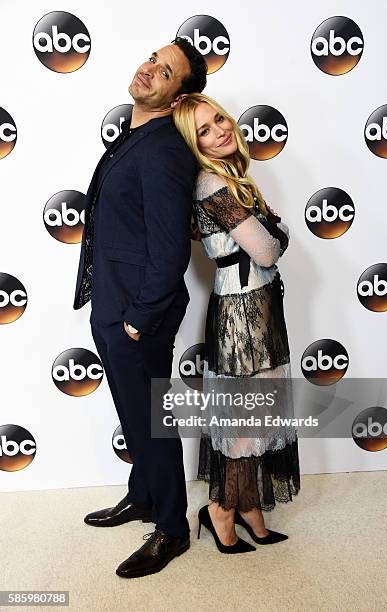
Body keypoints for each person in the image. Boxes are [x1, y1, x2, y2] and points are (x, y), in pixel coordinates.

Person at [73, 39, 207, 578]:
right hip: (114, 299)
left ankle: (172, 528)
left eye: (167, 71)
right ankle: (144, 496)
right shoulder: (133, 138)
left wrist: (137, 319)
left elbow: (172, 248)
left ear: (177, 98)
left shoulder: (164, 150)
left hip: (137, 312)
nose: (151, 69)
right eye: (154, 58)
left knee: (151, 422)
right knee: (135, 414)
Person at [173, 93, 301, 554]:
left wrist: (271, 231)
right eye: (204, 131)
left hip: (260, 308)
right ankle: (221, 510)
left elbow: (265, 242)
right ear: (194, 145)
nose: (219, 130)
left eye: (219, 119)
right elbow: (266, 249)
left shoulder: (233, 177)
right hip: (242, 317)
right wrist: (275, 231)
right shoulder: (212, 184)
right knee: (246, 421)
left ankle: (248, 507)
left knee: (260, 416)